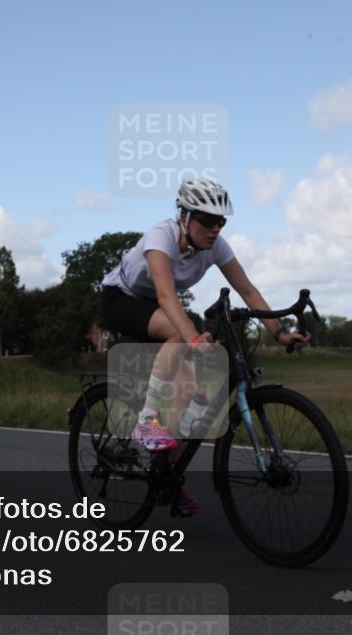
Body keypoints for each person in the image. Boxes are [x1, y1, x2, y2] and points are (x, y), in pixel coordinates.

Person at [100, 178, 311, 516]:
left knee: (188, 397)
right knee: (180, 333)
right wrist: (194, 338)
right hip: (122, 299)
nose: (215, 229)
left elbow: (249, 291)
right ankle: (146, 419)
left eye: (220, 222)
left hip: (157, 306)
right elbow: (166, 295)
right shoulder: (161, 237)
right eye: (207, 220)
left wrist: (280, 333)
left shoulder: (216, 246)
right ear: (184, 216)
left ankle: (167, 476)